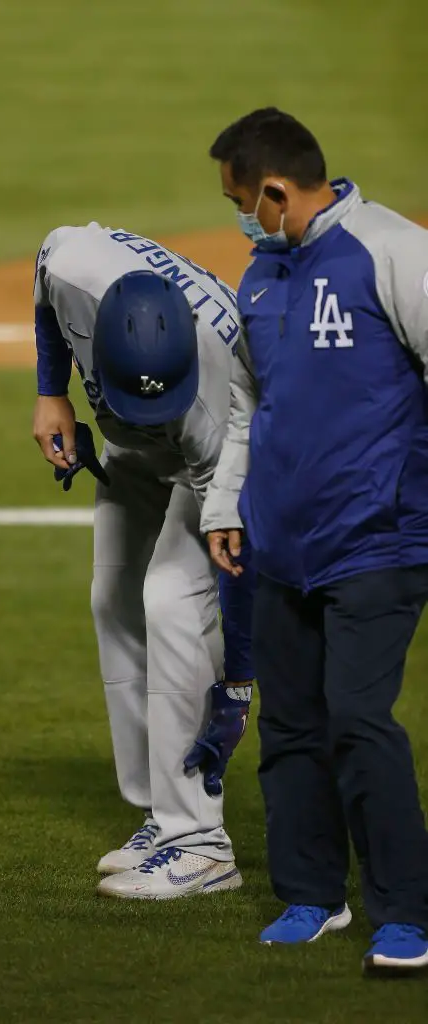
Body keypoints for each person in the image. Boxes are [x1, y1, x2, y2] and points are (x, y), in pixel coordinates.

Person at [201, 107, 428, 975]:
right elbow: (247, 407)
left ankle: (404, 911)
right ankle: (311, 895)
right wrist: (226, 506)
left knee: (359, 721)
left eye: (236, 200)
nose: (236, 216)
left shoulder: (391, 251)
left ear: (273, 189)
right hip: (281, 541)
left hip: (378, 537)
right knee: (291, 725)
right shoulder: (259, 278)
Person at [32, 222, 254, 899]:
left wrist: (237, 687)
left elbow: (238, 560)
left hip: (216, 461)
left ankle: (201, 844)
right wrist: (51, 390)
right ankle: (160, 815)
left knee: (170, 602)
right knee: (114, 600)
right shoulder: (73, 267)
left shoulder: (222, 399)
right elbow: (43, 279)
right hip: (136, 449)